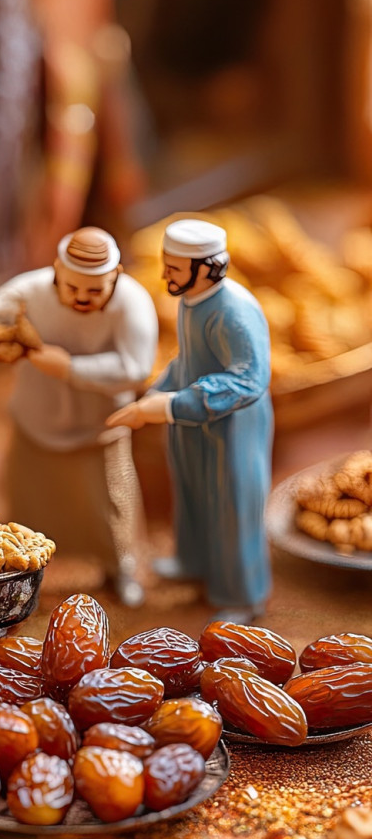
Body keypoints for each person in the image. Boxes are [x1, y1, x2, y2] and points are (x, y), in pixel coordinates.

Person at [0, 226, 158, 606]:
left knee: (110, 507)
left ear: (116, 276)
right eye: (72, 287)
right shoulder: (32, 290)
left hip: (100, 428)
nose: (82, 298)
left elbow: (136, 367)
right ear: (58, 270)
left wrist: (70, 367)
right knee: (28, 511)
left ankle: (120, 568)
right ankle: (23, 573)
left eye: (95, 290)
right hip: (35, 421)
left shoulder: (132, 302)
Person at [106, 218, 272, 624]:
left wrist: (171, 405)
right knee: (192, 490)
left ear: (207, 269)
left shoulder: (234, 311)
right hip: (192, 419)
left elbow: (249, 379)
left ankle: (242, 593)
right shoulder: (189, 301)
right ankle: (193, 560)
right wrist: (159, 392)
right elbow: (189, 359)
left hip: (234, 425)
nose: (165, 275)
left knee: (233, 504)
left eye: (174, 268)